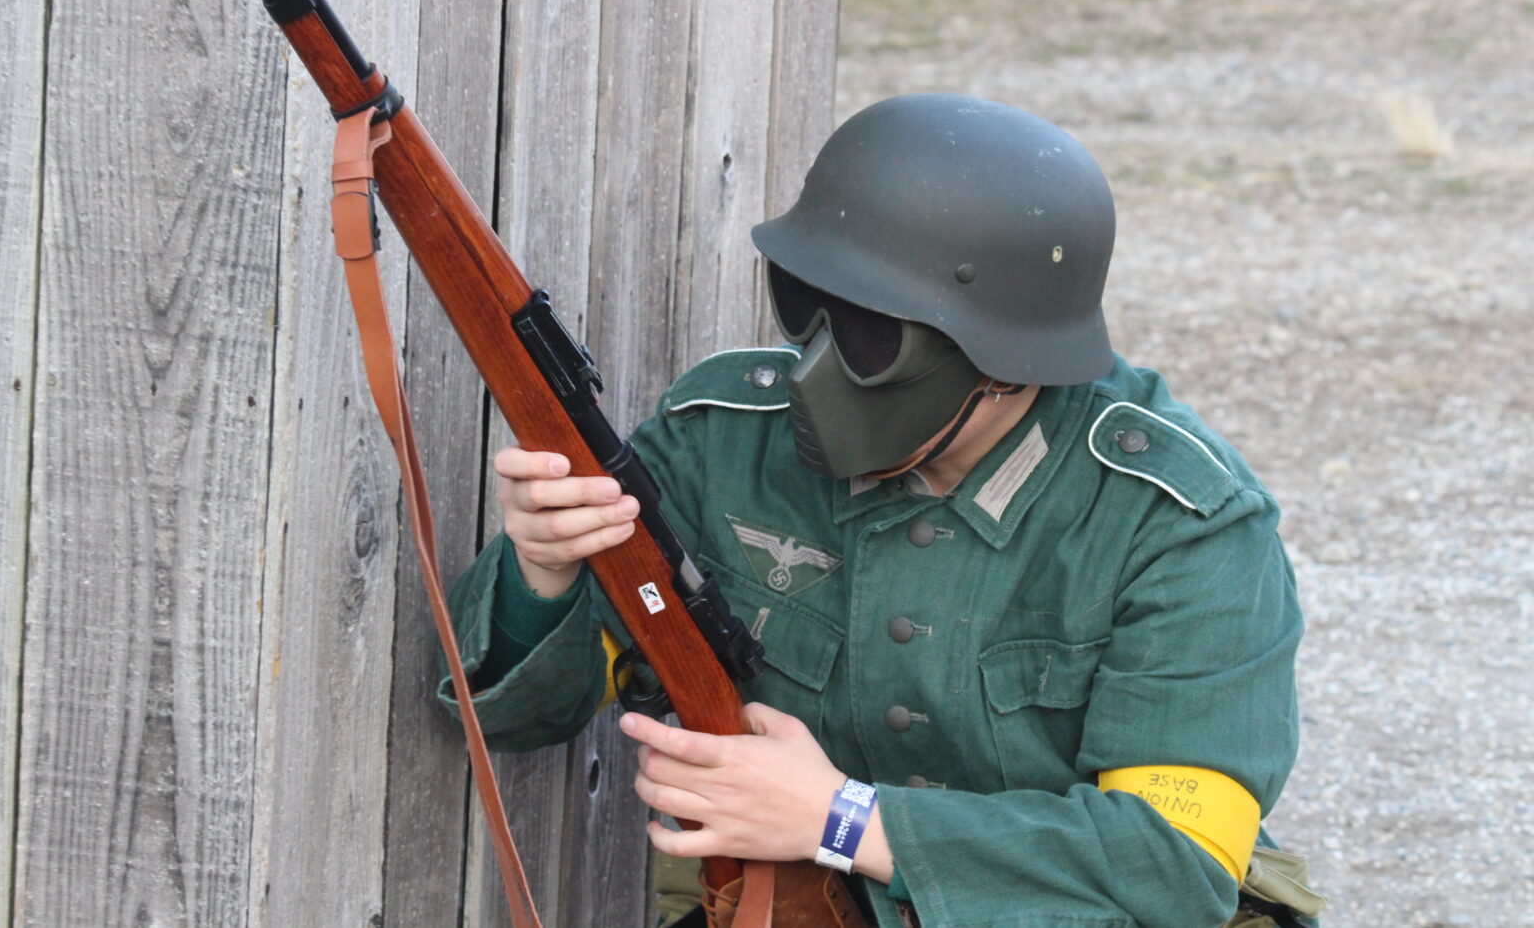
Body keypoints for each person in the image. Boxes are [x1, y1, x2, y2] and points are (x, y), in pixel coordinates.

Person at [440, 94, 1321, 927]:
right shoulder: (722, 442)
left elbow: (1170, 868)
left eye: (871, 334)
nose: (814, 364)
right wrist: (543, 574)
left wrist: (842, 818)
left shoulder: (1179, 522)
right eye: (805, 301)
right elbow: (515, 715)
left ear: (1006, 359)